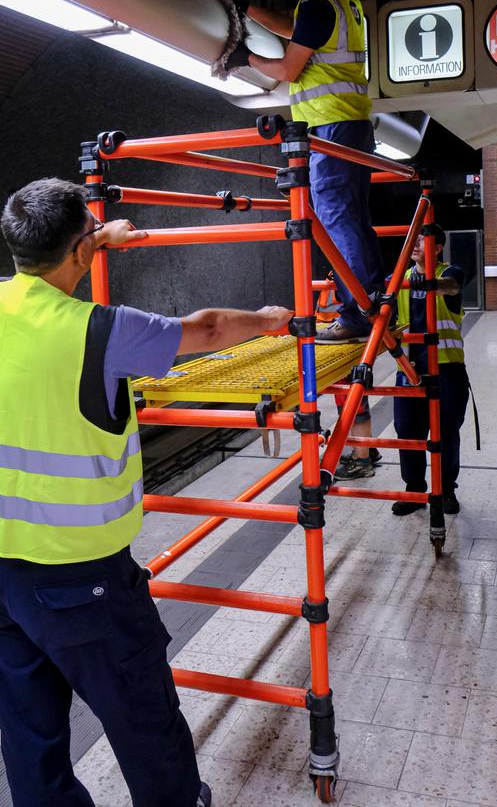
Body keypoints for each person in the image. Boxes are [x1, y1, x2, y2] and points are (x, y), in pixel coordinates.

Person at [0, 177, 292, 807]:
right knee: (141, 715)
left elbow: (59, 258)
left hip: (5, 575)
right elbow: (208, 329)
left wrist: (96, 237)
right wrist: (272, 322)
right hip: (83, 577)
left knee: (28, 729)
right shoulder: (99, 331)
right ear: (80, 250)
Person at [221, 0, 386, 344]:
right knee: (354, 221)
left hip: (331, 126)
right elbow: (294, 29)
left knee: (336, 221)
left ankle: (356, 314)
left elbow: (288, 70)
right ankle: (374, 304)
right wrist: (247, 8)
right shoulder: (342, 0)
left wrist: (245, 58)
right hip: (352, 125)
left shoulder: (317, 4)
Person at [391, 225, 469, 517]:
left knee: (446, 432)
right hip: (409, 370)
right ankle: (414, 491)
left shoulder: (450, 273)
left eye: (422, 241)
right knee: (407, 432)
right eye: (412, 241)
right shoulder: (400, 279)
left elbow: (452, 287)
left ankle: (446, 490)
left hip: (447, 370)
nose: (414, 246)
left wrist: (430, 284)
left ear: (437, 248)